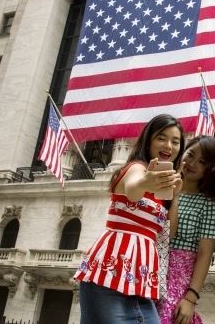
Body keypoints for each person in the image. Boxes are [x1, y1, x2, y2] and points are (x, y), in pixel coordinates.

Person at [75, 114, 185, 324]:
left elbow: (168, 233)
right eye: (162, 138)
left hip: (140, 282)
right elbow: (134, 190)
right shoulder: (136, 168)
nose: (169, 145)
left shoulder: (161, 187)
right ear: (148, 139)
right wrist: (146, 182)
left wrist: (175, 194)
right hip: (108, 276)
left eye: (176, 141)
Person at [158, 135, 215, 324]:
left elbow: (205, 253)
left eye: (202, 161)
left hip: (179, 278)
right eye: (190, 155)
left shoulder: (209, 204)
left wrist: (190, 298)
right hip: (150, 270)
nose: (192, 163)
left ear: (210, 168)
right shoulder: (160, 190)